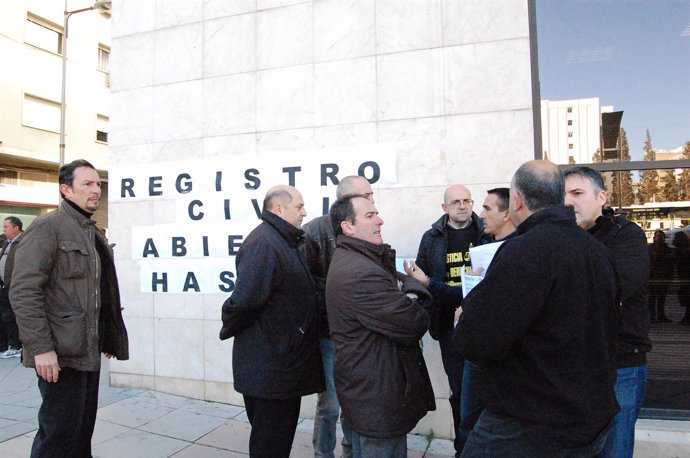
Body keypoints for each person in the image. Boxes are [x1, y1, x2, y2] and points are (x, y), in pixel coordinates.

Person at [455, 160, 619, 457]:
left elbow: (478, 339)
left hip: (530, 424)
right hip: (590, 419)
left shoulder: (523, 252)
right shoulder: (598, 251)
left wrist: (464, 319)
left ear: (517, 201)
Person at [10, 159, 129, 457]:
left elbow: (100, 291)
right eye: (86, 184)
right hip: (60, 353)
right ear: (66, 190)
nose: (95, 191)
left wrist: (109, 335)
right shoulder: (48, 227)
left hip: (86, 348)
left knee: (80, 432)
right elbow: (24, 291)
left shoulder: (91, 231)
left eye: (98, 184)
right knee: (58, 435)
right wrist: (41, 348)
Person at [326, 195, 435, 458]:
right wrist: (413, 292)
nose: (380, 220)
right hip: (376, 399)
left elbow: (399, 282)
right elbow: (414, 322)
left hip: (371, 391)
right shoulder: (360, 272)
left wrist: (403, 289)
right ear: (347, 227)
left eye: (377, 213)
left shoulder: (363, 260)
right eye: (370, 215)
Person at [220, 185, 324, 458]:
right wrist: (227, 321)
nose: (304, 213)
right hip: (270, 372)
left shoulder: (283, 240)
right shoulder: (265, 243)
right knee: (270, 447)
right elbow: (244, 301)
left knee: (276, 444)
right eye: (299, 207)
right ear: (279, 208)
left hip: (281, 369)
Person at [564, 166, 651, 458]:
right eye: (562, 195)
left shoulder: (626, 235)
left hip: (621, 366)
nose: (568, 202)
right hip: (574, 367)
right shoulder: (561, 239)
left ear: (602, 197)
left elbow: (613, 288)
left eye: (577, 193)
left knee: (614, 449)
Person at [302, 176, 374, 458]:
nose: (372, 200)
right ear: (345, 200)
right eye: (366, 195)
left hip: (360, 336)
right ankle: (323, 454)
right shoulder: (315, 231)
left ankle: (350, 452)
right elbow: (304, 285)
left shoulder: (369, 225)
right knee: (330, 405)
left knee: (354, 403)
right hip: (329, 334)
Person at [413, 184, 486, 457]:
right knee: (459, 391)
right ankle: (463, 448)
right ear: (444, 207)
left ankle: (482, 447)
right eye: (456, 201)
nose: (463, 205)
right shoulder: (432, 237)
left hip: (482, 325)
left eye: (467, 200)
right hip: (447, 328)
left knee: (484, 392)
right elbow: (420, 275)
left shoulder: (486, 233)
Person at [0, 216, 23, 358]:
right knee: (5, 316)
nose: (4, 230)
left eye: (6, 227)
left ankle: (16, 345)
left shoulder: (23, 242)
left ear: (16, 228)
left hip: (15, 287)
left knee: (11, 316)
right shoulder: (7, 242)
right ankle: (6, 345)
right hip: (4, 286)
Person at [648, 230, 673, 323]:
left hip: (663, 277)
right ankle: (652, 316)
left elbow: (670, 264)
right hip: (653, 277)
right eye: (658, 237)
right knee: (652, 298)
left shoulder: (667, 250)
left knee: (662, 298)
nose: (660, 239)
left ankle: (661, 315)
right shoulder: (650, 249)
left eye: (661, 237)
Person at [673, 231, 690, 325]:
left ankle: (686, 318)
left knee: (687, 297)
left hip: (685, 277)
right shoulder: (683, 250)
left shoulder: (683, 251)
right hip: (685, 277)